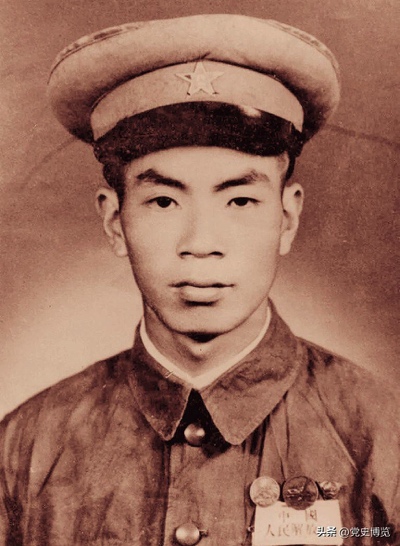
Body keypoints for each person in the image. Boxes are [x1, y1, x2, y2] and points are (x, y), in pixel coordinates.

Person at [0, 14, 398, 546]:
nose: (201, 243)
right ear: (115, 222)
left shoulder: (383, 436)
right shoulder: (24, 447)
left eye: (240, 201)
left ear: (287, 218)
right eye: (164, 201)